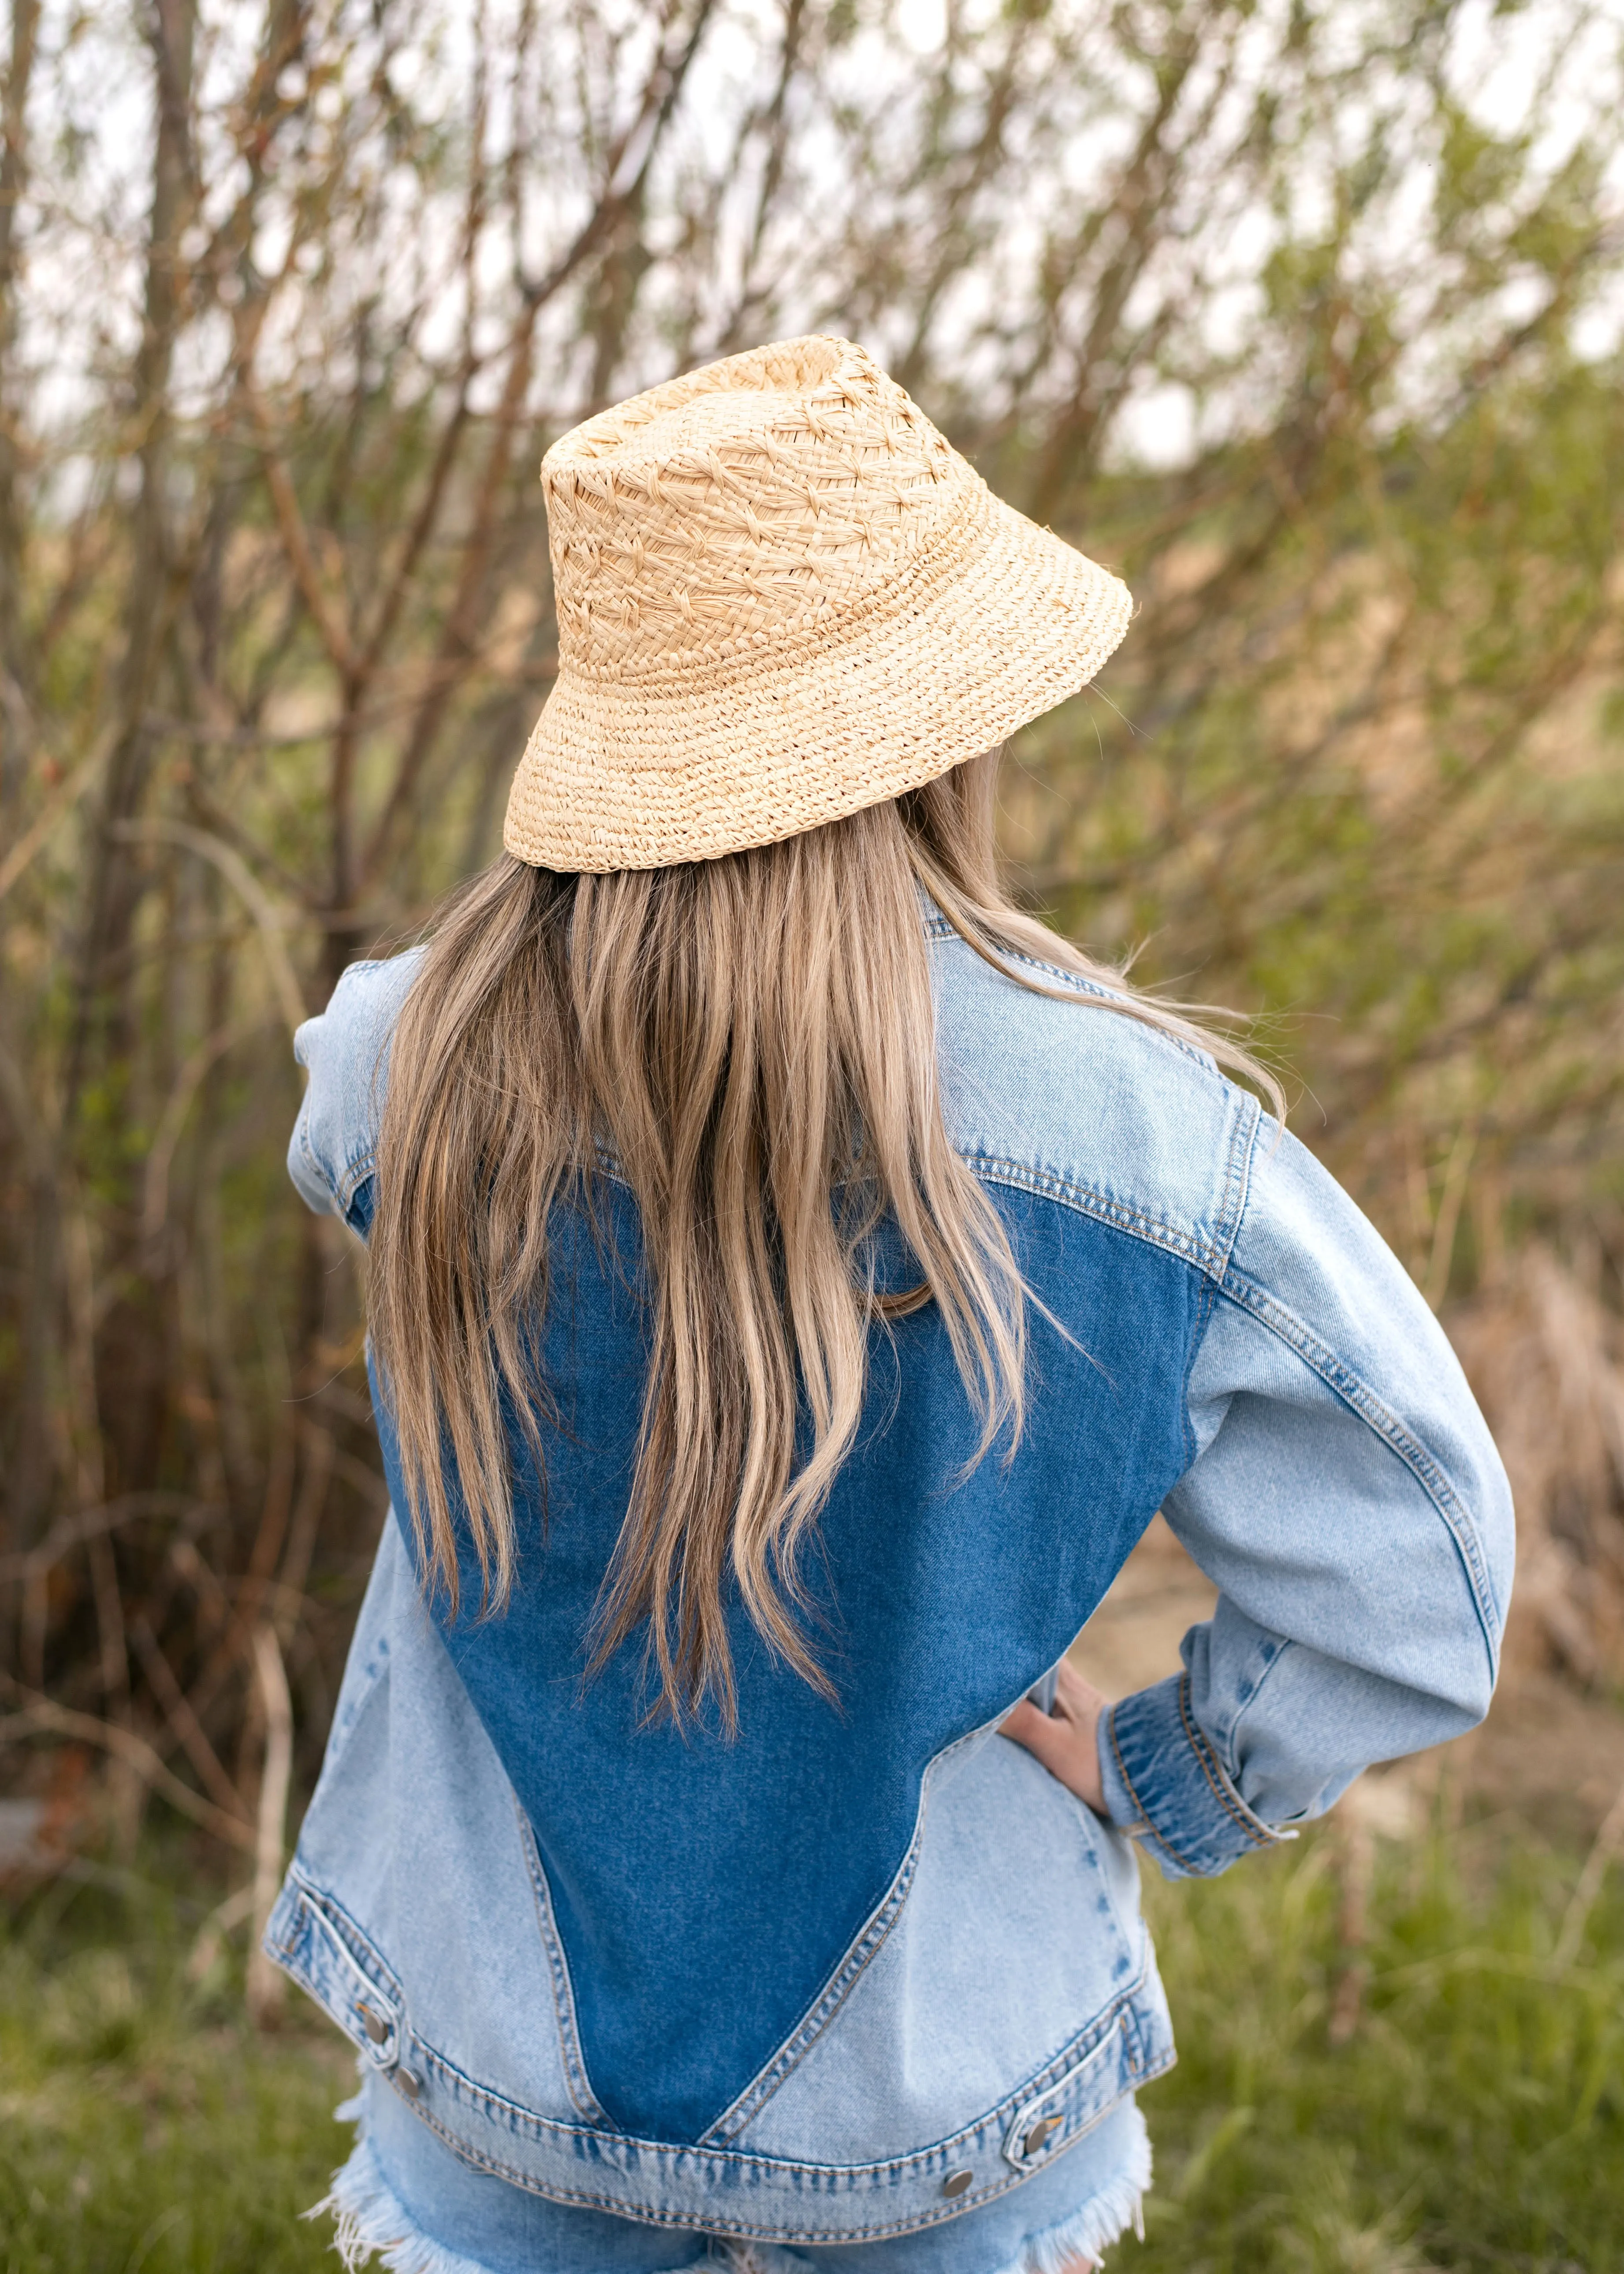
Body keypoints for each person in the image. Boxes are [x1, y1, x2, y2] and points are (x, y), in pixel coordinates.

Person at [270, 336, 1513, 2274]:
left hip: (500, 2071)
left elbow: (337, 1120)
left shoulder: (409, 1064)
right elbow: (1427, 1563)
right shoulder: (1146, 1143)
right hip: (946, 2091)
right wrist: (1185, 1767)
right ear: (948, 728)